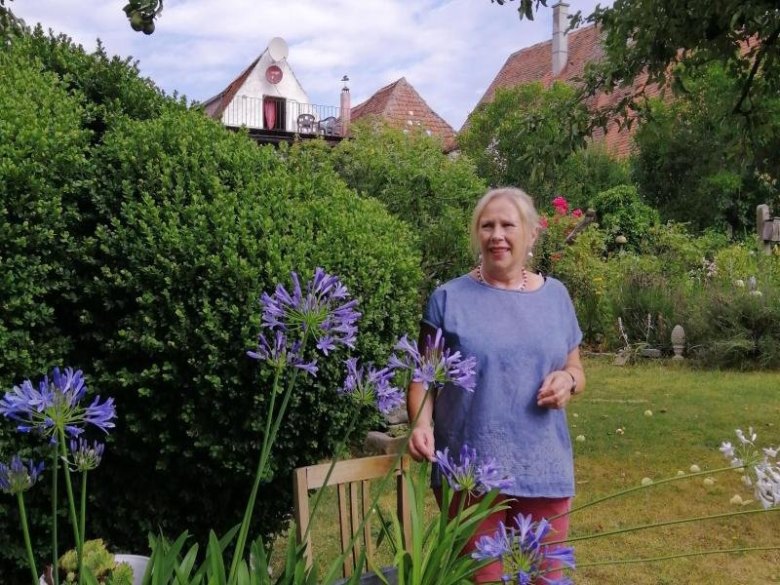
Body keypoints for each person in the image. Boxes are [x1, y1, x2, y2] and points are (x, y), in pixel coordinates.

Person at [406, 187, 585, 583]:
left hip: (544, 467)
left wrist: (568, 381)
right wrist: (420, 424)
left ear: (532, 233)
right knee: (483, 579)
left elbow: (576, 367)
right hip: (469, 470)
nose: (497, 235)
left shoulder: (556, 297)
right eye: (487, 226)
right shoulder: (448, 299)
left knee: (544, 578)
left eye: (508, 225)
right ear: (477, 234)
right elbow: (424, 376)